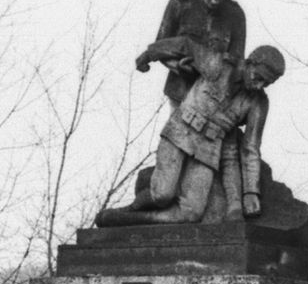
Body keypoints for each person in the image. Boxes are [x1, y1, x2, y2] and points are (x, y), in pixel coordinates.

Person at [99, 39, 286, 226]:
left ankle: (128, 219)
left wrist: (251, 192)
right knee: (162, 194)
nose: (259, 85)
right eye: (258, 77)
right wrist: (149, 54)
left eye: (266, 83)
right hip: (180, 132)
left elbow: (250, 148)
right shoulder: (219, 65)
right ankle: (134, 207)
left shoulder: (258, 103)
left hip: (208, 150)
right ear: (250, 63)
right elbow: (185, 45)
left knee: (191, 213)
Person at [149, 0, 246, 105]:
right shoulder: (180, 4)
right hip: (180, 93)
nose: (215, 0)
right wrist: (177, 66)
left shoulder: (236, 15)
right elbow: (160, 46)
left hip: (213, 99)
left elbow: (237, 63)